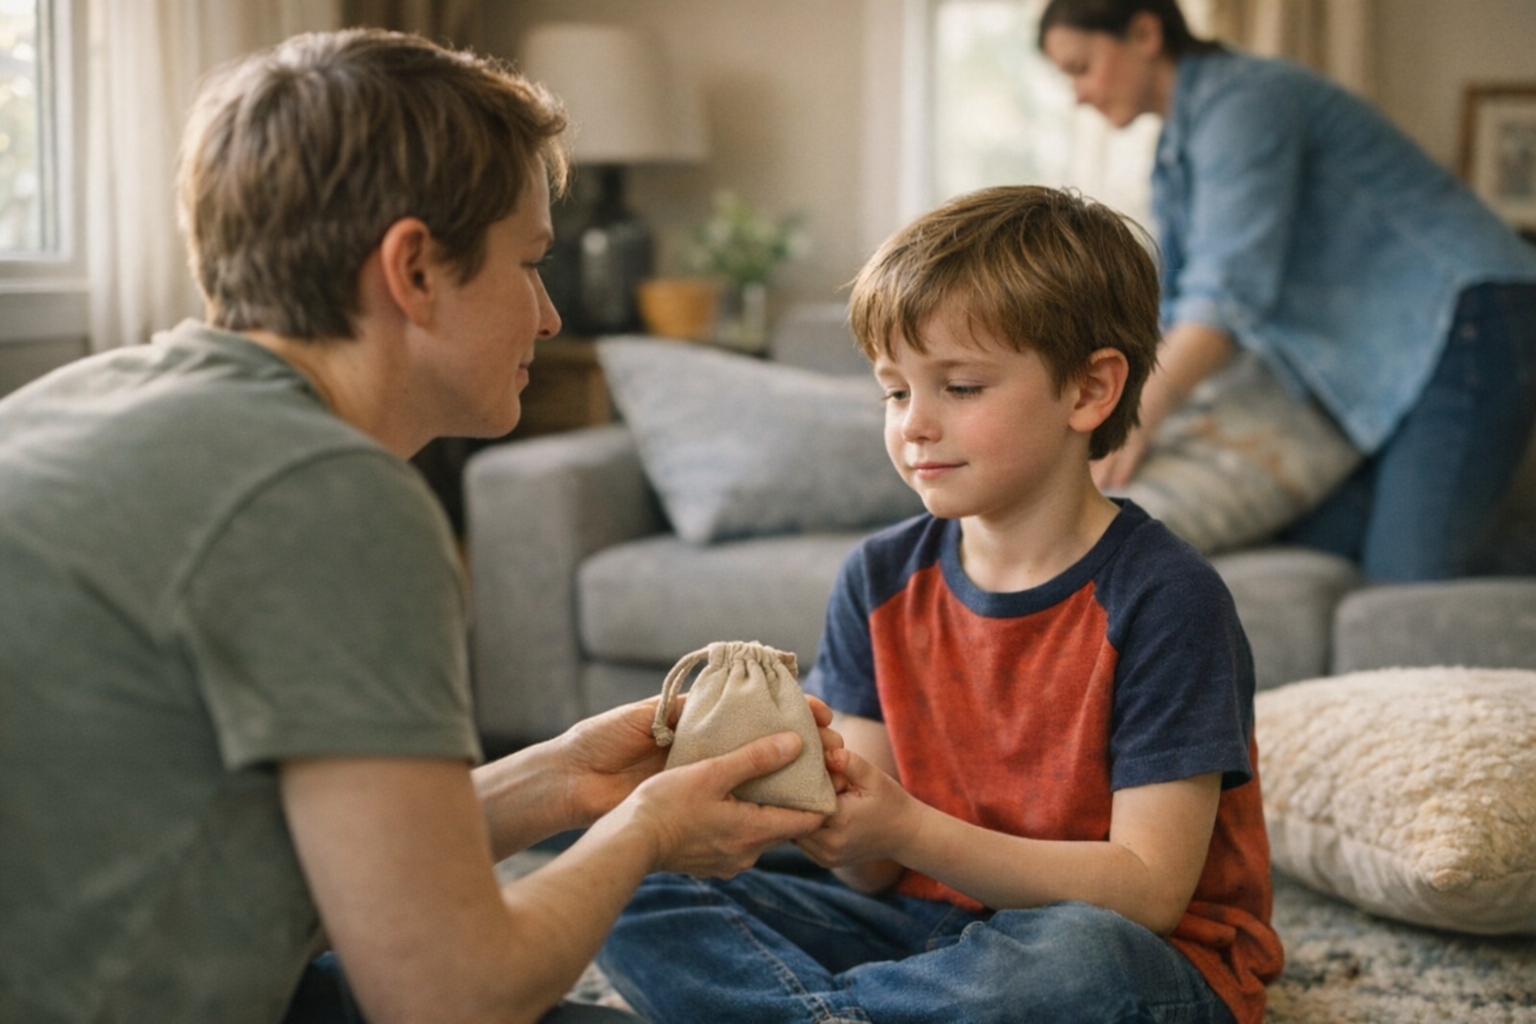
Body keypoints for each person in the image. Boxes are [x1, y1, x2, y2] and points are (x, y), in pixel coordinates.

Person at [0, 29, 832, 1024]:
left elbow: (282, 867)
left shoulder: (81, 397)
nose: (549, 316)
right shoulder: (328, 492)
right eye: (529, 264)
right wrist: (651, 827)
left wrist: (563, 779)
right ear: (415, 269)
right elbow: (448, 995)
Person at [597, 185, 1283, 1024]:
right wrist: (830, 816)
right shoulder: (879, 577)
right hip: (920, 927)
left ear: (1090, 392)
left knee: (1079, 964)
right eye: (894, 391)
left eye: (958, 387)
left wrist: (910, 831)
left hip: (1139, 954)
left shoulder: (1167, 598)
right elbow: (873, 874)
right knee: (619, 876)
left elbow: (1147, 894)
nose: (913, 425)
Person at [1039, 0, 1536, 582]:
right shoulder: (1178, 149)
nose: (1077, 94)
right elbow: (1175, 303)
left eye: (1081, 67)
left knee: (1409, 580)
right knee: (1326, 535)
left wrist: (1139, 413)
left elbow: (1225, 298)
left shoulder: (1244, 103)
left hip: (1470, 314)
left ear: (1145, 33)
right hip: (1384, 358)